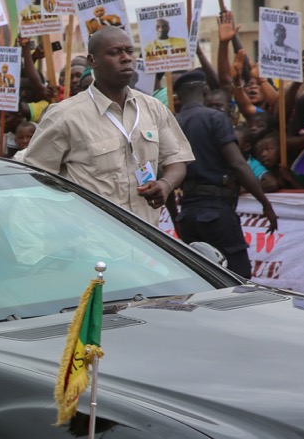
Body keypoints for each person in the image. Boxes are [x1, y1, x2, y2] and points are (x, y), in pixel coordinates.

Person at [25, 27, 193, 224]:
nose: (126, 58)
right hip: (93, 244)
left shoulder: (152, 107)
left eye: (129, 51)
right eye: (114, 53)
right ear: (92, 61)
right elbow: (34, 176)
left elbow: (177, 159)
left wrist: (165, 184)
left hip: (146, 240)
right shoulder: (65, 116)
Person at [172, 71, 278, 278]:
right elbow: (238, 163)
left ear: (179, 97)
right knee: (238, 277)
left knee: (202, 278)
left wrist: (176, 218)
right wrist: (265, 203)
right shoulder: (215, 117)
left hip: (187, 213)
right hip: (216, 211)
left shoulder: (172, 122)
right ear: (205, 91)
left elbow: (166, 172)